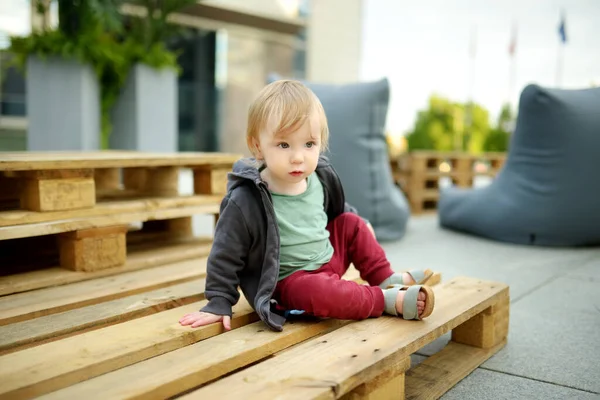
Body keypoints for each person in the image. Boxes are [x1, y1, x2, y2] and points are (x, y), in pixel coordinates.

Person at [179, 80, 435, 332]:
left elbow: (337, 209)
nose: (298, 157)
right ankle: (385, 301)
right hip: (291, 281)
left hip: (329, 258)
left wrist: (360, 225)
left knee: (351, 222)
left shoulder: (320, 176)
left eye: (309, 144)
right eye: (283, 145)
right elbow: (225, 253)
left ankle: (384, 278)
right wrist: (219, 302)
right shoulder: (246, 199)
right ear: (258, 146)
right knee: (321, 293)